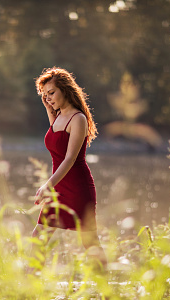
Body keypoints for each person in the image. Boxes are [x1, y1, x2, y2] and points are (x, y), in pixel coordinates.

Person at [33, 67, 107, 268]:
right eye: (45, 94)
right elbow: (56, 141)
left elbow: (69, 159)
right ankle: (29, 287)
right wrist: (49, 108)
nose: (48, 98)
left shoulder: (78, 119)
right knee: (39, 236)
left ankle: (107, 289)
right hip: (58, 187)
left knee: (89, 241)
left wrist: (48, 185)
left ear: (65, 89)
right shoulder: (58, 117)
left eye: (52, 93)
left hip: (77, 187)